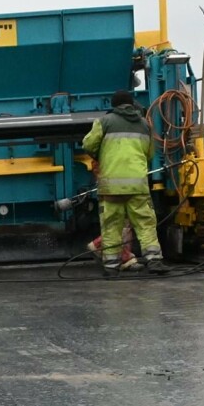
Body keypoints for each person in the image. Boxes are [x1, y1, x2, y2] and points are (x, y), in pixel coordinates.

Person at [80, 90, 167, 276]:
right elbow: (150, 153)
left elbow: (88, 144)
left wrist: (100, 154)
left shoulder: (104, 122)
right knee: (145, 224)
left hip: (111, 186)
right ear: (132, 104)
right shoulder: (145, 125)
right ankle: (154, 261)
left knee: (111, 225)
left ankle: (111, 267)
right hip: (138, 186)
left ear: (114, 105)